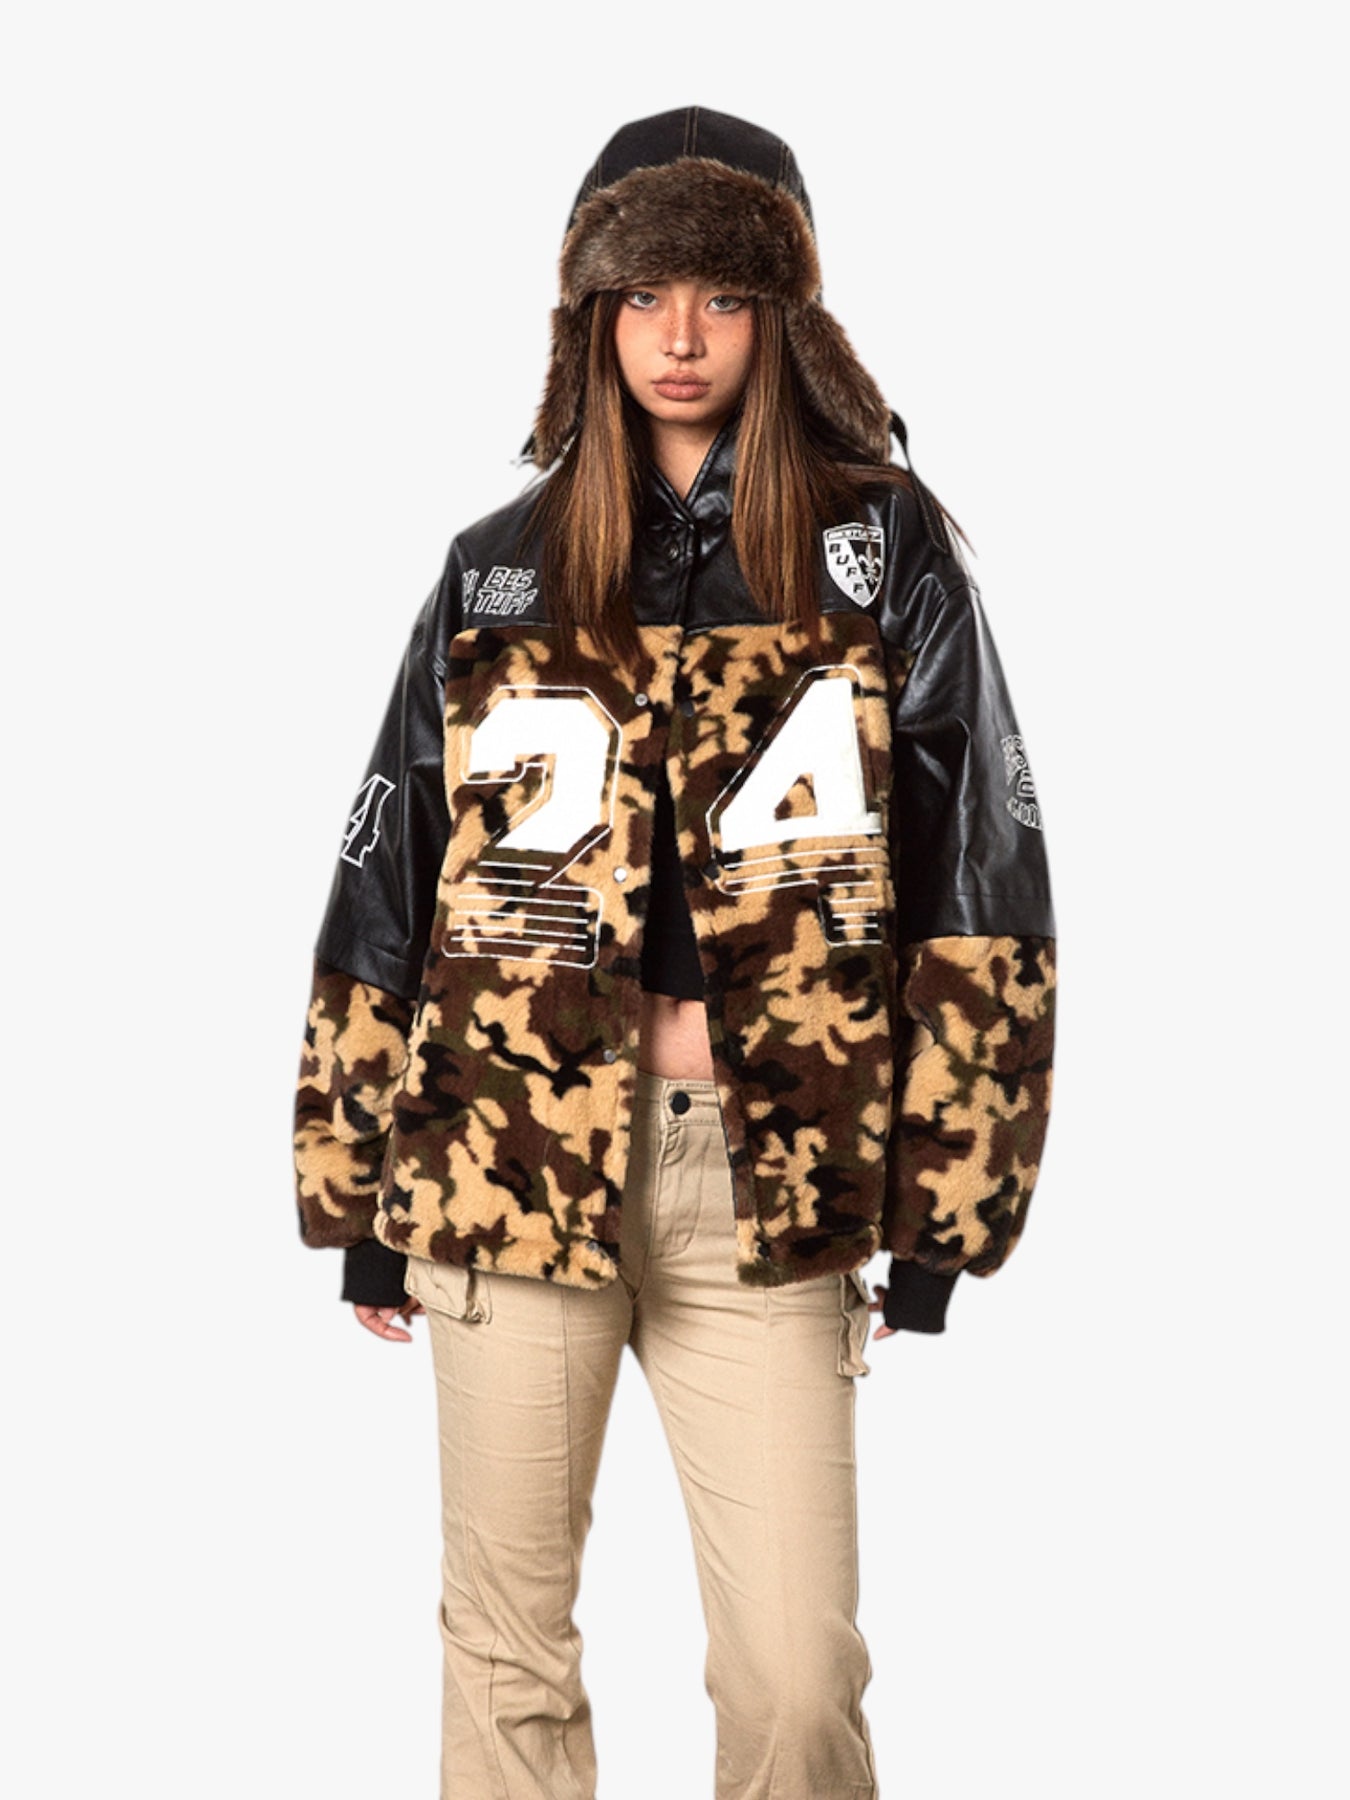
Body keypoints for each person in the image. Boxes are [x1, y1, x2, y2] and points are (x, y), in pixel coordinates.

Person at [292, 106, 1056, 1800]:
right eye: (643, 296)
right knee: (507, 1651)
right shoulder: (497, 570)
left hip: (762, 1180)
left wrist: (943, 1212)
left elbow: (981, 894)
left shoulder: (883, 554)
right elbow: (388, 881)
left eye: (722, 294)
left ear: (786, 318)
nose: (681, 336)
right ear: (591, 316)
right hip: (502, 1163)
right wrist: (355, 1197)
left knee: (793, 1676)